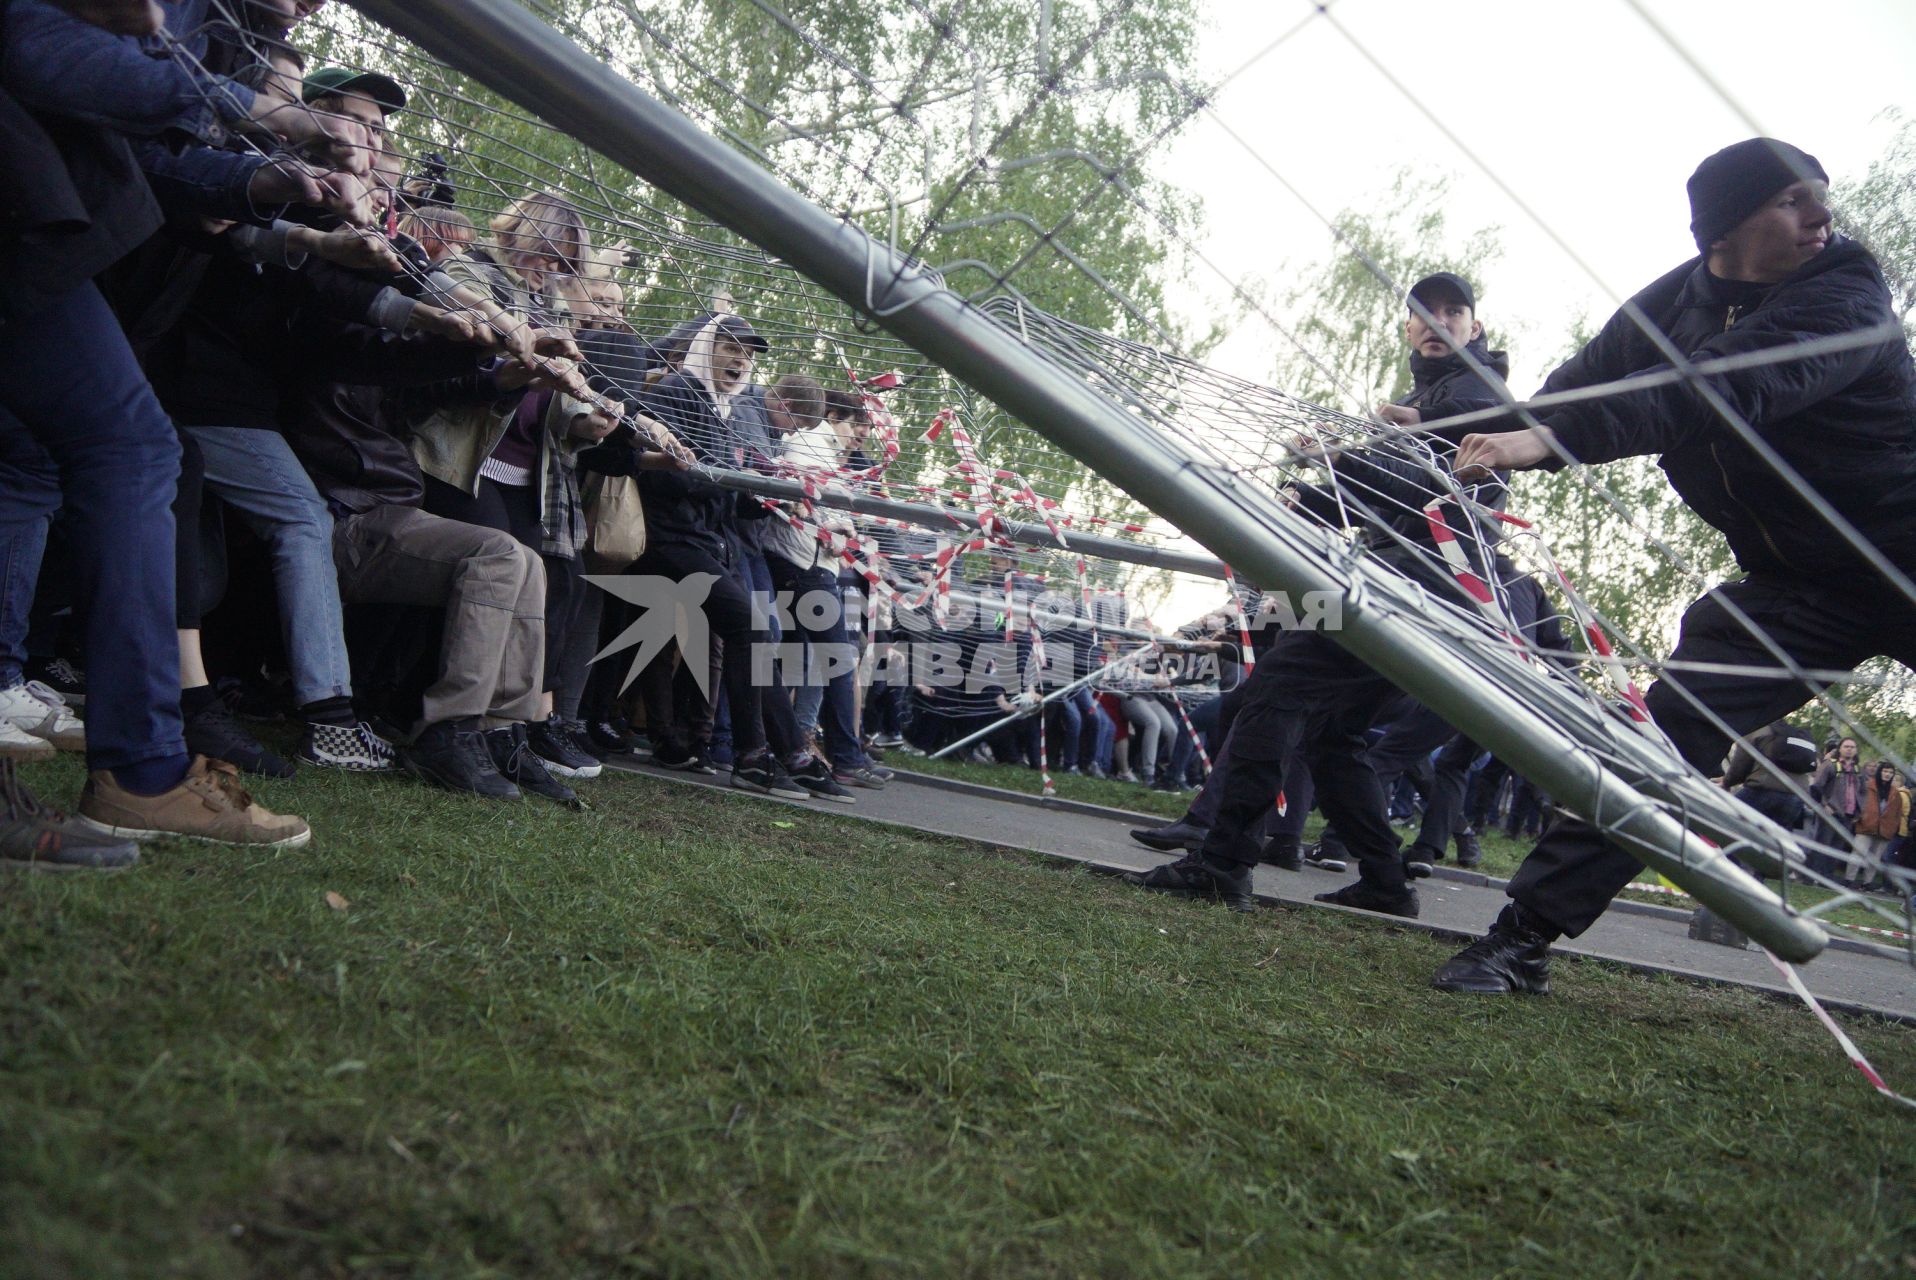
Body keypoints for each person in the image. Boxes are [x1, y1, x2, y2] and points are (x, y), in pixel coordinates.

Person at [1432, 138, 1916, 994]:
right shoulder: (1669, 305)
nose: (1822, 217)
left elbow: (1720, 390)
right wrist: (1426, 430)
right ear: (1726, 229)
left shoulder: (1850, 292)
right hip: (1797, 585)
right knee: (1660, 734)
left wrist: (1547, 439)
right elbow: (1571, 392)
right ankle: (1521, 939)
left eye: (1821, 199)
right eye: (1794, 201)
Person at [1128, 271, 1511, 910]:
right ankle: (1387, 883)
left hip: (1418, 587)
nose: (1437, 322)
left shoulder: (1475, 392)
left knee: (1273, 691)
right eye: (1424, 311)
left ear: (1476, 327)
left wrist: (1336, 461)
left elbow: (1438, 462)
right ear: (1409, 328)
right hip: (1404, 582)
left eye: (1453, 311)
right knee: (1333, 734)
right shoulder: (1433, 394)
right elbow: (1386, 496)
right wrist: (1307, 495)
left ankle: (1222, 860)